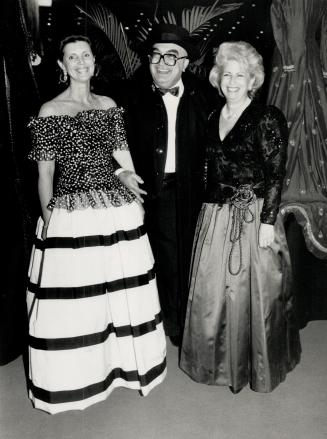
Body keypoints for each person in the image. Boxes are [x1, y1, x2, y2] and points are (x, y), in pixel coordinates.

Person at [26, 35, 166, 414]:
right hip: (71, 212)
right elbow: (45, 175)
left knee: (117, 294)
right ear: (62, 65)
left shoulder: (107, 105)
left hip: (114, 208)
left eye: (85, 55)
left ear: (94, 62)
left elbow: (121, 159)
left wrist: (131, 184)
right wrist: (48, 216)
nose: (80, 62)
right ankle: (75, 379)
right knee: (76, 303)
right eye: (72, 57)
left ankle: (119, 368)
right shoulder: (50, 110)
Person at [180, 41, 301, 393]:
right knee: (214, 293)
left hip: (254, 216)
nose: (232, 81)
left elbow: (277, 173)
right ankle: (219, 364)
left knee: (258, 293)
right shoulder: (211, 116)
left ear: (253, 80)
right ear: (218, 78)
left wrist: (267, 221)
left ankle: (259, 366)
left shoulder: (267, 117)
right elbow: (209, 169)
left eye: (241, 75)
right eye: (226, 74)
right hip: (217, 215)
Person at [116, 24, 217, 346]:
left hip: (193, 191)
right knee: (159, 258)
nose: (161, 63)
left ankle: (186, 323)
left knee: (189, 257)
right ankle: (165, 323)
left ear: (186, 63)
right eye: (156, 55)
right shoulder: (129, 96)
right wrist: (121, 174)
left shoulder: (206, 96)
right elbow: (103, 143)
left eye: (171, 57)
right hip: (147, 191)